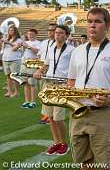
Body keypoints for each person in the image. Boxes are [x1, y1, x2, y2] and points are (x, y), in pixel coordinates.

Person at [67, 7, 110, 168]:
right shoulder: (77, 51)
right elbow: (71, 81)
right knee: (83, 163)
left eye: (97, 22)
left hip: (103, 114)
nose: (92, 26)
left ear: (107, 25)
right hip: (78, 113)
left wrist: (109, 100)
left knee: (105, 164)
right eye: (89, 21)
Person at [34, 25, 74, 155]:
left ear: (67, 35)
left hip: (62, 86)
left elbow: (76, 68)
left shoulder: (72, 50)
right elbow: (46, 64)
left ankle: (64, 144)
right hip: (48, 84)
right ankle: (56, 143)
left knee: (58, 118)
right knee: (50, 117)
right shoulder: (51, 48)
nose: (57, 35)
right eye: (56, 33)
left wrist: (71, 83)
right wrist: (39, 71)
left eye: (61, 33)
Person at [37, 23, 56, 124]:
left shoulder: (59, 43)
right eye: (49, 30)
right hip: (43, 70)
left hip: (53, 71)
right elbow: (40, 55)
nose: (50, 32)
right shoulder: (44, 42)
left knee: (51, 94)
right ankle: (46, 114)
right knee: (43, 93)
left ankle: (51, 116)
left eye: (52, 30)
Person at [21, 29, 41, 108]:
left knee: (32, 83)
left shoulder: (39, 43)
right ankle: (27, 101)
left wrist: (28, 47)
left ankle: (33, 102)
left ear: (36, 34)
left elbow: (37, 51)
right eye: (29, 34)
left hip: (33, 62)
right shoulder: (26, 42)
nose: (30, 35)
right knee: (25, 83)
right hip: (24, 62)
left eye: (32, 34)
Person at [0, 26, 23, 97]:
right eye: (9, 30)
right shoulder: (7, 39)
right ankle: (9, 92)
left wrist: (8, 43)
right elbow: (3, 49)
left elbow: (14, 48)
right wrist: (2, 43)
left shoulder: (19, 40)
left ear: (15, 31)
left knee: (14, 77)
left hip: (15, 60)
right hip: (5, 59)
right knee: (8, 77)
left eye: (12, 30)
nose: (10, 32)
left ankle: (16, 92)